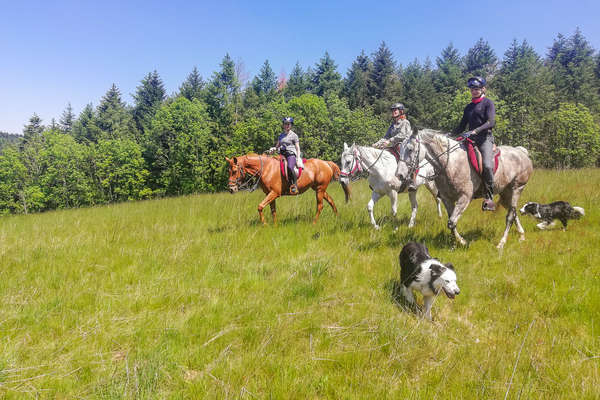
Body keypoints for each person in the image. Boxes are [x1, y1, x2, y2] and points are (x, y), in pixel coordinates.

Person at [453, 76, 496, 211]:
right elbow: (461, 126)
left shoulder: (488, 103)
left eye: (476, 89)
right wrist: (448, 135)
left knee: (487, 166)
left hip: (485, 139)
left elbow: (491, 122)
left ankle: (489, 198)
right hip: (471, 140)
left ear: (483, 89)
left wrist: (475, 131)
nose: (474, 91)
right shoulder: (468, 107)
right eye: (472, 89)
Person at [270, 117, 303, 194]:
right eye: (285, 124)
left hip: (290, 154)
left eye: (289, 124)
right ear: (283, 125)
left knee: (290, 167)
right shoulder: (281, 135)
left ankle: (294, 185)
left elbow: (297, 147)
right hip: (281, 154)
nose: (287, 125)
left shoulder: (294, 135)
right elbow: (277, 146)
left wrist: (298, 157)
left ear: (291, 125)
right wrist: (273, 149)